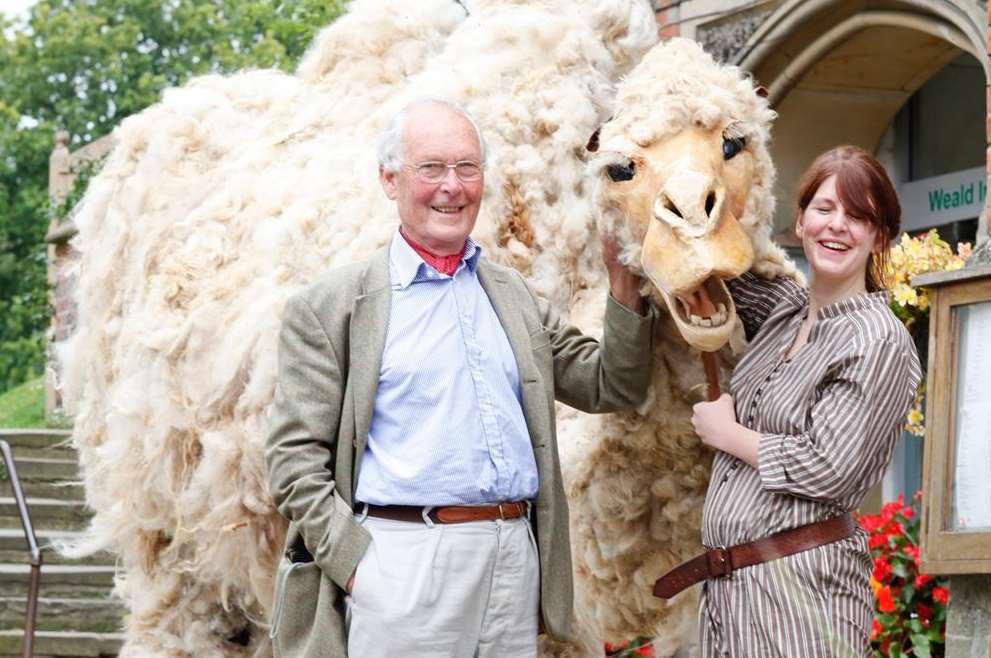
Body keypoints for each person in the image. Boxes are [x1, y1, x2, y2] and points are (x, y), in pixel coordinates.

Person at [265, 98, 657, 658]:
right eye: (431, 168)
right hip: (401, 563)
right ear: (389, 179)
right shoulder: (331, 307)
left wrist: (624, 284)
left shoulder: (512, 295)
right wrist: (358, 567)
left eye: (467, 168)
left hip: (512, 561)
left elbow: (608, 385)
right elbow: (292, 459)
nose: (453, 186)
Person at [684, 145, 922, 657]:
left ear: (879, 237)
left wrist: (728, 435)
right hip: (731, 594)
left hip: (803, 598)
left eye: (858, 216)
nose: (837, 226)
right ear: (800, 221)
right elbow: (704, 246)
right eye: (825, 208)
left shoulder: (877, 339)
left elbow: (829, 467)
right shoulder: (784, 312)